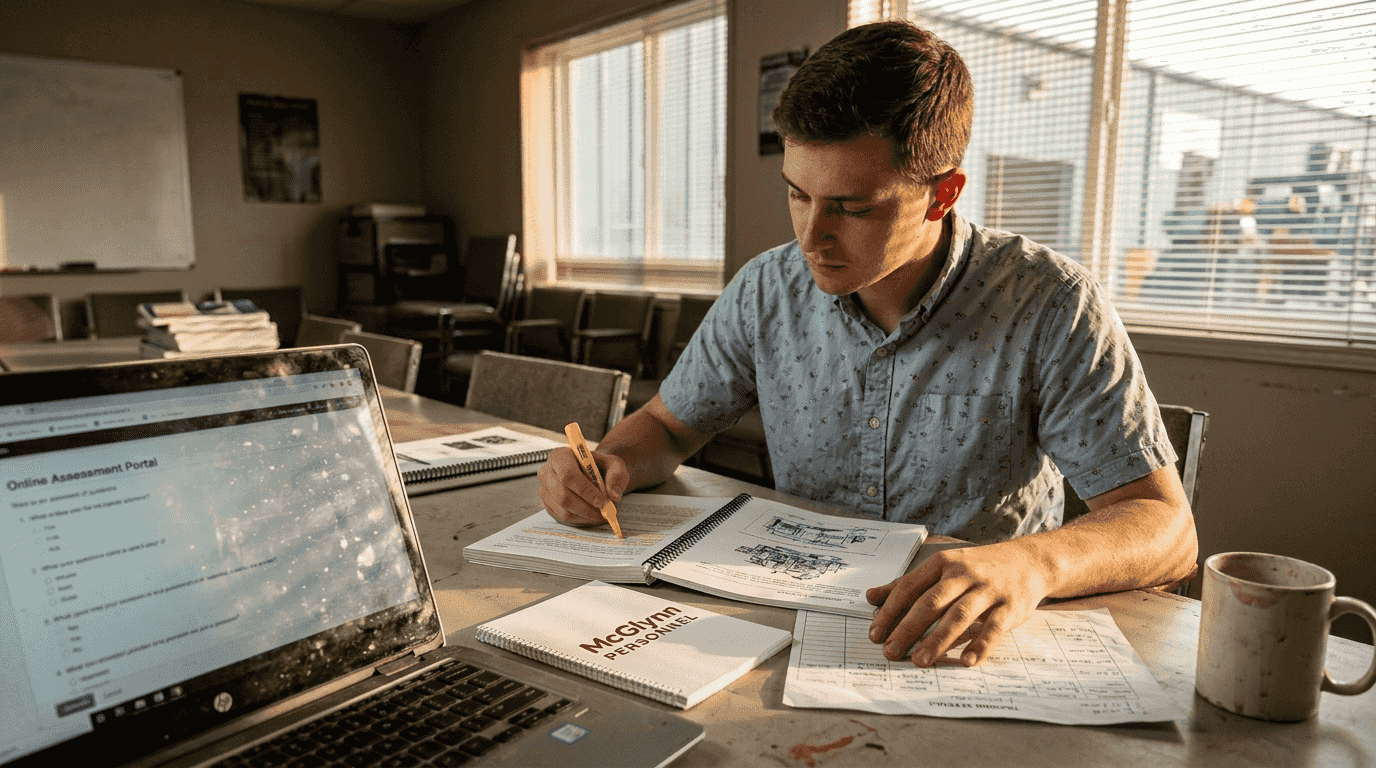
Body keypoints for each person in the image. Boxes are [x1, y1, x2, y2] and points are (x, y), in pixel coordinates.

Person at [538, 20, 1197, 669]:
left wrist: (1032, 564)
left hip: (966, 640)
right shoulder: (766, 289)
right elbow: (666, 428)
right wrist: (608, 465)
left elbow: (1166, 531)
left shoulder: (1048, 301)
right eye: (798, 195)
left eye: (852, 208)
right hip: (785, 622)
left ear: (944, 193)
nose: (811, 237)